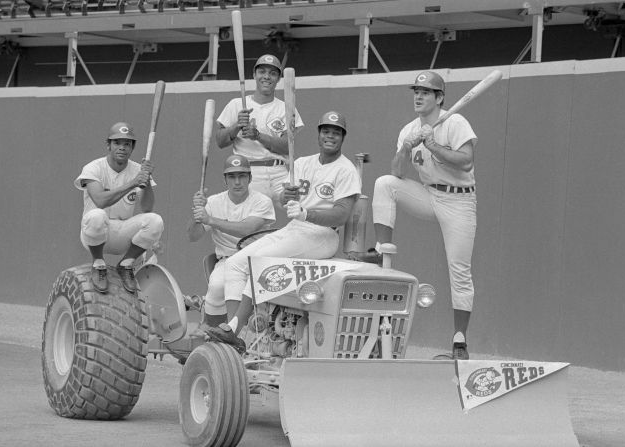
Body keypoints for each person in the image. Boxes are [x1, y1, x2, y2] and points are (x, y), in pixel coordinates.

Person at [204, 111, 362, 352]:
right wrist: (284, 196)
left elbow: (342, 214)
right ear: (319, 134)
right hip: (296, 228)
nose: (331, 136)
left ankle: (235, 327)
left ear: (343, 137)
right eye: (326, 131)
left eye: (336, 132)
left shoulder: (346, 169)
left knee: (259, 261)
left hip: (323, 235)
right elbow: (281, 199)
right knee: (236, 263)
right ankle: (233, 330)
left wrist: (307, 213)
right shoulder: (301, 163)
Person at [369, 71, 478, 360]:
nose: (418, 96)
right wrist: (407, 146)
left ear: (439, 97)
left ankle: (459, 340)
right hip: (429, 195)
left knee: (459, 269)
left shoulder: (455, 122)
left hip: (459, 200)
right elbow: (397, 172)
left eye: (426, 92)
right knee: (384, 184)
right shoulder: (409, 129)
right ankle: (382, 249)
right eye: (416, 91)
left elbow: (465, 163)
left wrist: (433, 145)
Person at [187, 154, 275, 330]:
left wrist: (210, 220)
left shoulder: (262, 201)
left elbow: (246, 229)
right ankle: (212, 333)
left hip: (256, 261)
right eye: (232, 176)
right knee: (216, 287)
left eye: (242, 176)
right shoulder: (213, 202)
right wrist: (198, 213)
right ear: (225, 179)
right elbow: (193, 236)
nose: (237, 182)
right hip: (227, 260)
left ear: (250, 178)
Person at [74, 122, 164, 294]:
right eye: (117, 143)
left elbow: (146, 207)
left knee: (155, 221)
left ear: (132, 148)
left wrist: (147, 181)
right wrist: (132, 183)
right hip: (94, 233)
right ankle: (98, 264)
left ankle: (126, 264)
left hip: (123, 232)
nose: (122, 147)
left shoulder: (138, 169)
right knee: (97, 215)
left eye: (127, 144)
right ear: (108, 145)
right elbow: (100, 200)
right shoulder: (94, 168)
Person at [215, 54, 304, 201]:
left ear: (279, 78)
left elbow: (288, 147)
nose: (267, 77)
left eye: (273, 73)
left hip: (279, 171)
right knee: (255, 218)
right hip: (249, 172)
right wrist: (237, 126)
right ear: (254, 75)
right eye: (262, 72)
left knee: (295, 206)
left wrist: (257, 136)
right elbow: (220, 141)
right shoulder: (236, 104)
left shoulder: (286, 108)